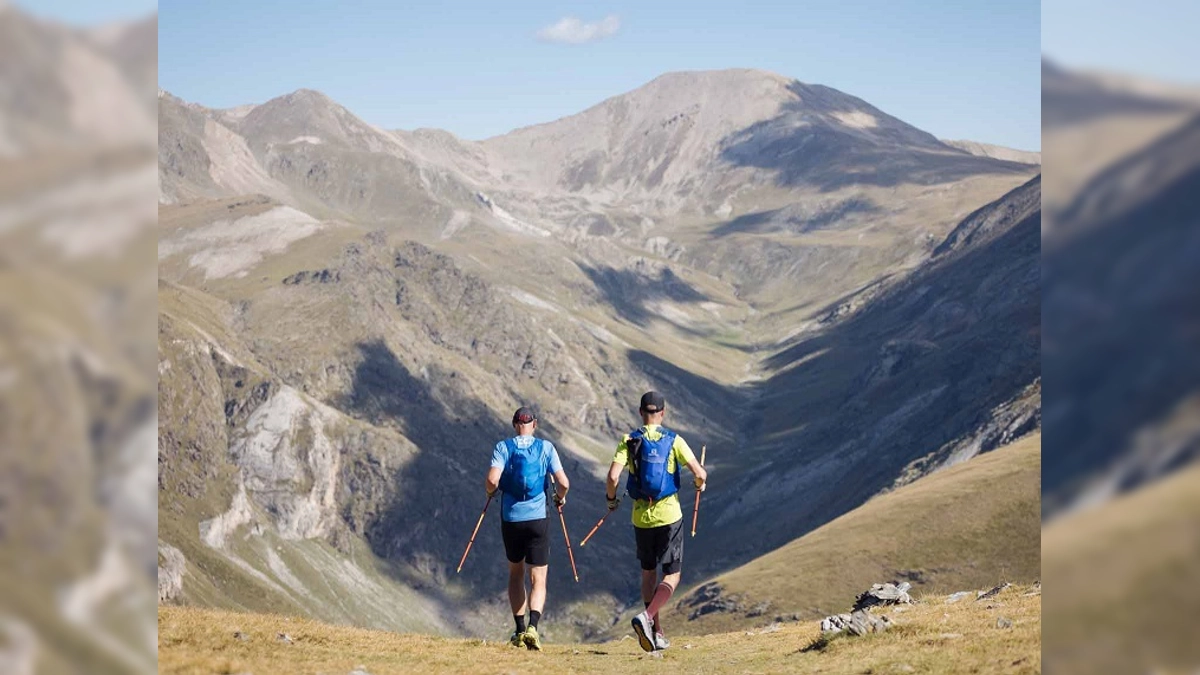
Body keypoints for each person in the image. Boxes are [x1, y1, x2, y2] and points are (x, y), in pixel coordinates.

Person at [604, 391, 707, 652]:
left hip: (641, 517)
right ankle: (648, 617)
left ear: (641, 412)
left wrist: (611, 500)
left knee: (648, 573)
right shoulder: (674, 441)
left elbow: (613, 477)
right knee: (672, 574)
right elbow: (698, 472)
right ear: (663, 413)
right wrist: (700, 483)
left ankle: (656, 632)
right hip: (669, 516)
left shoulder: (628, 441)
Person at [485, 407, 569, 651]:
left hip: (511, 518)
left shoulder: (503, 447)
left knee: (516, 573)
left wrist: (491, 492)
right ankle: (534, 627)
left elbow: (492, 480)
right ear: (535, 424)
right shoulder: (546, 448)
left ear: (514, 424)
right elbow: (563, 483)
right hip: (538, 518)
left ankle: (519, 630)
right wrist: (559, 497)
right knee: (538, 577)